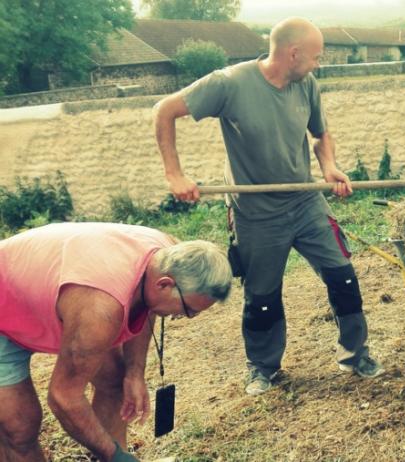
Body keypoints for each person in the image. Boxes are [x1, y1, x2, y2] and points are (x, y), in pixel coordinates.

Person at [153, 17, 384, 397]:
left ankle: (355, 353)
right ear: (292, 54)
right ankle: (263, 367)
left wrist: (328, 166)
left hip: (305, 201)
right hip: (256, 212)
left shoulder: (305, 83)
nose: (317, 65)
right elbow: (164, 110)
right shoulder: (228, 84)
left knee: (342, 276)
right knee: (262, 296)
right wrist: (174, 174)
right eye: (315, 57)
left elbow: (320, 133)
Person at [0, 222, 232, 461]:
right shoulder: (101, 310)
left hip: (41, 299)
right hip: (4, 306)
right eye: (189, 309)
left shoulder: (166, 254)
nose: (187, 317)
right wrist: (116, 457)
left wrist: (134, 371)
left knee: (115, 380)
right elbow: (63, 397)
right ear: (164, 284)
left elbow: (148, 305)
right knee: (19, 429)